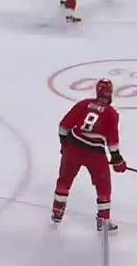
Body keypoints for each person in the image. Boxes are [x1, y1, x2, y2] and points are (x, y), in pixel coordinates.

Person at [53, 78, 125, 232]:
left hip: (73, 146)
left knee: (64, 180)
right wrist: (117, 159)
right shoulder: (111, 113)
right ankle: (103, 220)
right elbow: (112, 139)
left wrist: (64, 145)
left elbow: (63, 126)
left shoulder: (83, 104)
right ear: (110, 93)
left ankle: (57, 211)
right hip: (95, 153)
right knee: (103, 187)